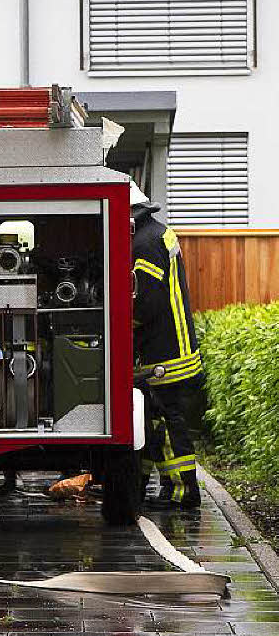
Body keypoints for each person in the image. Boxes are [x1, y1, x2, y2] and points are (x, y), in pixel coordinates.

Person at [131, 181, 206, 509]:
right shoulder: (157, 233)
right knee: (153, 417)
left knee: (163, 419)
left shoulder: (143, 244)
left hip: (164, 352)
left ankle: (181, 492)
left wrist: (122, 326)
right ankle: (154, 485)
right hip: (174, 346)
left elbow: (146, 301)